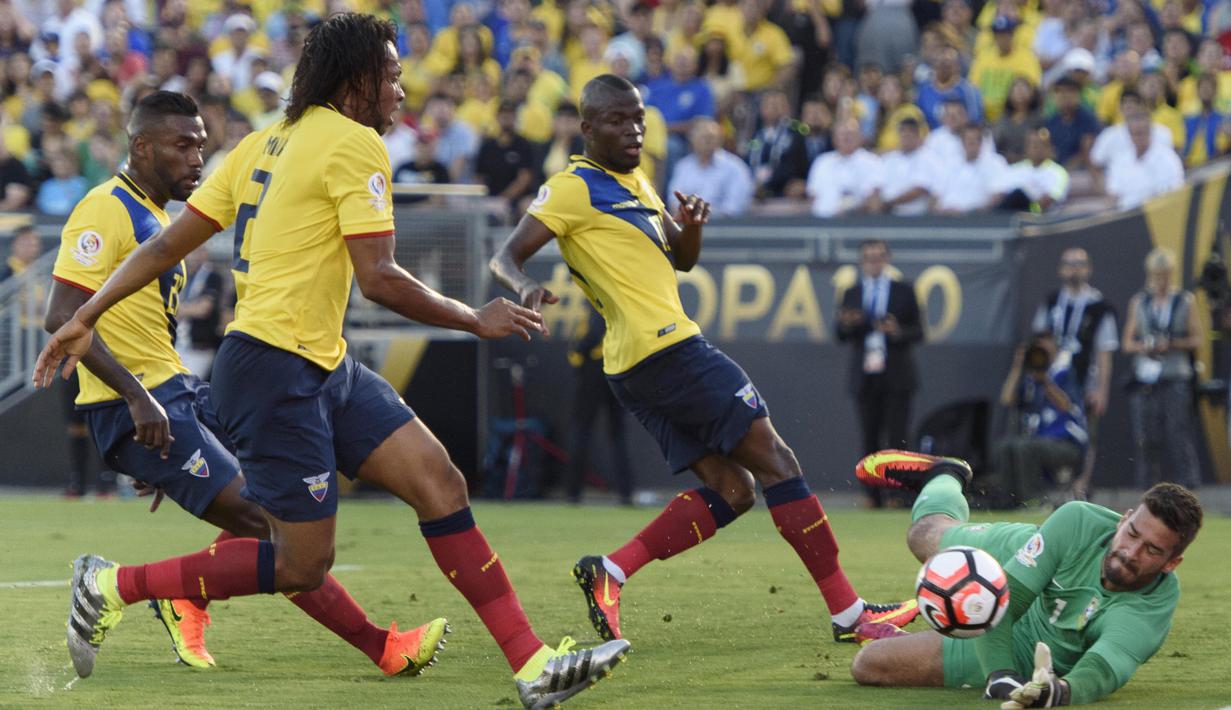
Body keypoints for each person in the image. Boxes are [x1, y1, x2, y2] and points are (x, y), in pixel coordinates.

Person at [34, 16, 627, 710]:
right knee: (300, 564)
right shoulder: (354, 143)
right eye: (392, 76)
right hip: (274, 371)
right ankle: (113, 586)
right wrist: (473, 317)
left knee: (440, 482)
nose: (401, 90)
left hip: (320, 363)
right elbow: (378, 278)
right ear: (356, 81)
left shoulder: (264, 140)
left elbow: (166, 247)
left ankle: (532, 665)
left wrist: (85, 314)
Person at [491, 74, 919, 649]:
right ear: (587, 128)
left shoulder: (636, 179)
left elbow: (682, 259)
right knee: (779, 462)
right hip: (668, 351)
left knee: (736, 490)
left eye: (639, 119)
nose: (634, 130)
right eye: (618, 120)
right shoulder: (571, 188)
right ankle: (850, 614)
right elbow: (505, 255)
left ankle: (610, 572)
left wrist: (690, 229)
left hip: (635, 367)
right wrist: (523, 285)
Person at [43, 89, 450, 677]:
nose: (196, 159)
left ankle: (184, 597)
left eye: (201, 146)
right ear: (141, 146)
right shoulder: (105, 209)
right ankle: (381, 647)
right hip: (136, 402)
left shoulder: (158, 218)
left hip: (175, 394)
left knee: (281, 514)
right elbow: (63, 315)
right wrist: (136, 398)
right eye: (182, 146)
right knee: (271, 529)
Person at [849, 450, 1203, 708]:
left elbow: (1103, 668)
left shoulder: (1151, 608)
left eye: (1151, 550)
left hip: (1025, 650)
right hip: (1022, 557)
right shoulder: (1077, 520)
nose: (1130, 551)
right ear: (1123, 519)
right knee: (923, 536)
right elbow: (1007, 598)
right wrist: (999, 675)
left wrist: (1057, 692)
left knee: (869, 665)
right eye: (1132, 533)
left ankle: (927, 631)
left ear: (1172, 563)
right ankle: (946, 473)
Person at [835, 239, 923, 508]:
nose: (874, 263)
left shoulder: (904, 290)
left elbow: (919, 332)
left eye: (878, 257)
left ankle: (899, 493)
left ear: (887, 259)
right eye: (869, 258)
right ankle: (872, 494)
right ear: (862, 262)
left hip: (896, 372)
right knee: (869, 436)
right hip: (865, 374)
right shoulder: (852, 292)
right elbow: (840, 333)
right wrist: (848, 323)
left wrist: (897, 331)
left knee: (898, 436)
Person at [1031, 248, 1118, 501]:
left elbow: (1104, 351)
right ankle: (1047, 488)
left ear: (1088, 269)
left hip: (1083, 382)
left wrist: (1101, 390)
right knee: (1046, 429)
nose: (1074, 269)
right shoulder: (1052, 302)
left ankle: (1081, 484)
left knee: (1086, 433)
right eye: (1069, 264)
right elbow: (1039, 339)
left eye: (1080, 264)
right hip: (1053, 382)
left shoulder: (1099, 307)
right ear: (1061, 269)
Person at [1122, 248, 1204, 490]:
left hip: (1175, 376)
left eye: (1166, 274)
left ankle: (1190, 490)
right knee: (1146, 439)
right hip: (1146, 379)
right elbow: (1127, 343)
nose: (1161, 280)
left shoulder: (1184, 300)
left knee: (1180, 436)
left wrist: (1172, 344)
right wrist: (1145, 346)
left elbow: (1198, 339)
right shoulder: (1139, 302)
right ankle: (1147, 492)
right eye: (1157, 274)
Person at [994, 333, 1088, 506]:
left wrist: (1045, 380)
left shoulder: (1065, 373)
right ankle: (1009, 502)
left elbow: (1065, 406)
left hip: (1066, 443)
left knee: (1025, 447)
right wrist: (1018, 367)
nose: (1041, 353)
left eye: (1045, 347)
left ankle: (1033, 500)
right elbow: (1007, 399)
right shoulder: (1031, 380)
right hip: (1038, 441)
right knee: (1006, 447)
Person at [566, 306, 633, 505]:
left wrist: (579, 351)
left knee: (581, 430)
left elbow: (593, 333)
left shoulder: (598, 302)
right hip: (617, 368)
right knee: (617, 434)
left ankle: (573, 491)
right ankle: (626, 492)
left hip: (595, 369)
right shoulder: (620, 305)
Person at [666, 117, 754, 218]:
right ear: (692, 139)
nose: (707, 142)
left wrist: (700, 214)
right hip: (687, 223)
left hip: (724, 226)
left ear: (720, 139)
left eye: (711, 137)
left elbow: (733, 208)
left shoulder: (735, 168)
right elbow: (674, 201)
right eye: (702, 137)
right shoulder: (683, 167)